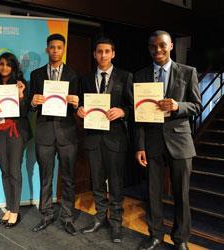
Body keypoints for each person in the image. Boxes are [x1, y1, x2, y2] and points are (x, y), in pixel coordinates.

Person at [135, 30, 201, 250]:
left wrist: (177, 106)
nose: (158, 50)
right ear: (149, 49)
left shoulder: (187, 72)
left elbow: (197, 106)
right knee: (152, 193)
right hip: (152, 142)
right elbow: (138, 116)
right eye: (153, 47)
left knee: (181, 195)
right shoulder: (141, 75)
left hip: (180, 143)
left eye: (162, 45)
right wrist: (140, 146)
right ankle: (155, 235)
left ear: (171, 45)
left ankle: (181, 239)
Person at [77, 37, 133, 243]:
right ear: (94, 54)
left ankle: (116, 223)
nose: (103, 55)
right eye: (99, 51)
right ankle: (100, 218)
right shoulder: (85, 79)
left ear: (113, 54)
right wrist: (79, 109)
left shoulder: (125, 77)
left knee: (116, 183)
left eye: (107, 51)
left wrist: (122, 111)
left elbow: (134, 107)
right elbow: (80, 103)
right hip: (93, 138)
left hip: (115, 139)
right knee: (97, 181)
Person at [29, 33, 79, 236]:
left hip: (67, 133)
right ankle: (46, 214)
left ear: (63, 49)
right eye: (52, 47)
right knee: (45, 177)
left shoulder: (74, 75)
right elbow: (31, 107)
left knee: (68, 177)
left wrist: (76, 103)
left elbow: (78, 108)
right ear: (47, 49)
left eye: (59, 47)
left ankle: (67, 217)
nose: (56, 50)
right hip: (44, 132)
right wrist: (33, 102)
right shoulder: (36, 74)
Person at [0, 52, 31, 228]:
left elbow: (26, 110)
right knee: (5, 170)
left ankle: (15, 210)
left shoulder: (21, 85)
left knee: (14, 170)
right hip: (0, 132)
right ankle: (9, 206)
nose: (4, 68)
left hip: (16, 132)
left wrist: (21, 95)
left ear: (14, 67)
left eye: (8, 65)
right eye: (1, 64)